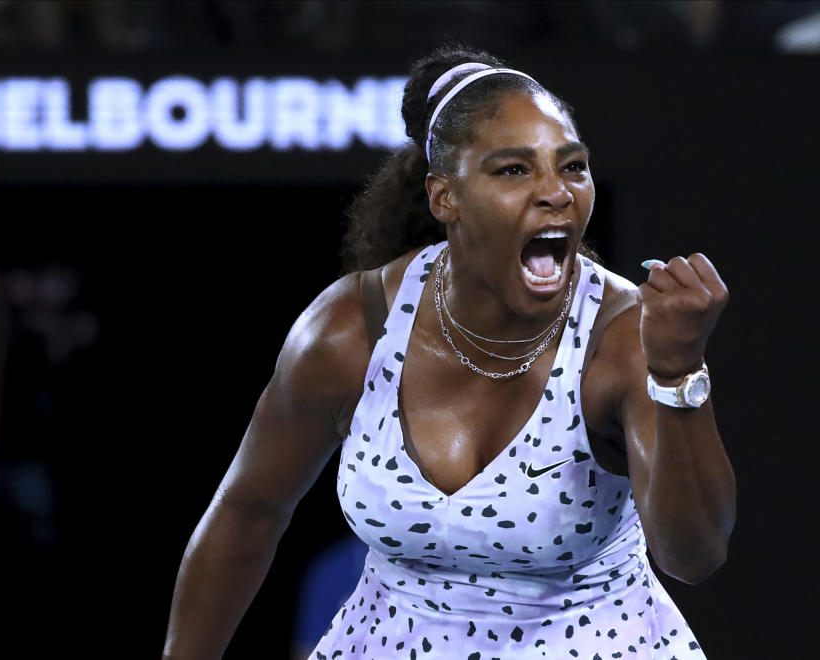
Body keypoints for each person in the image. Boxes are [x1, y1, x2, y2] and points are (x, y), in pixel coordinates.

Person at [161, 45, 735, 659]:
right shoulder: (352, 329)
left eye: (572, 166)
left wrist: (676, 373)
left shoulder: (622, 338)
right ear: (445, 198)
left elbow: (693, 556)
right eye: (514, 170)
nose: (556, 193)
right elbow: (248, 512)